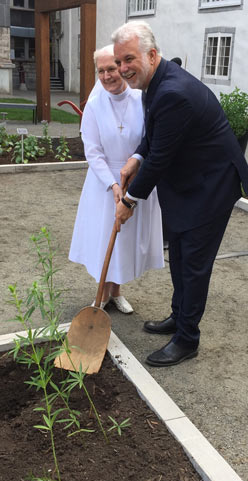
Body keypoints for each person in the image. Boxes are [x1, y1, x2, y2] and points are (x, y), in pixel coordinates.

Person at [112, 21, 248, 365]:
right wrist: (135, 157)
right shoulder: (154, 81)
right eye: (119, 62)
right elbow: (154, 135)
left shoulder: (173, 92)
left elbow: (161, 157)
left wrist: (129, 201)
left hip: (212, 186)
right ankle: (179, 317)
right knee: (178, 252)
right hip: (190, 182)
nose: (123, 68)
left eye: (128, 59)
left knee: (193, 263)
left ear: (152, 54)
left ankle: (187, 338)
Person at [69, 44, 164, 314]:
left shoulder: (142, 101)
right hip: (103, 183)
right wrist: (111, 184)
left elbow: (151, 141)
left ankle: (117, 292)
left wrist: (137, 171)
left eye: (112, 68)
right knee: (104, 238)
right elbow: (93, 151)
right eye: (101, 71)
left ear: (122, 67)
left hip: (136, 181)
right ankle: (100, 294)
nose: (107, 76)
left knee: (124, 239)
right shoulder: (95, 106)